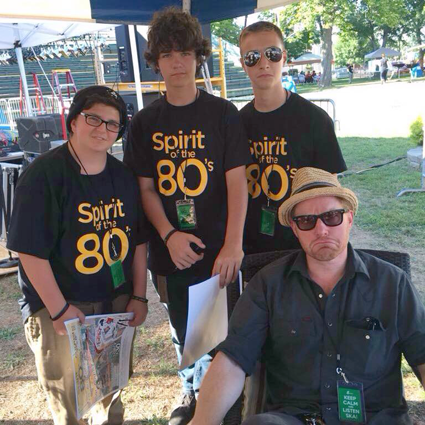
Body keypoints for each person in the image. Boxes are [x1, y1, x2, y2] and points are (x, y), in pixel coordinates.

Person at [190, 167, 425, 425]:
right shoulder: (268, 285)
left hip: (376, 418)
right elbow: (233, 359)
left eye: (332, 217)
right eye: (306, 221)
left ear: (349, 218)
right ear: (294, 227)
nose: (321, 230)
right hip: (293, 418)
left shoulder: (392, 283)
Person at [123, 7, 251, 425]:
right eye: (167, 54)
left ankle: (218, 401)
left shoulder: (223, 114)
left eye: (184, 52)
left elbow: (237, 182)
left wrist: (233, 244)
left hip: (217, 249)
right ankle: (192, 390)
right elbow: (145, 188)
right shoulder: (144, 122)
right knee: (183, 328)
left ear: (198, 56)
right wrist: (168, 234)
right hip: (169, 252)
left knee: (217, 331)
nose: (177, 62)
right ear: (155, 61)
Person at [7, 86, 151, 425]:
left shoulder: (123, 176)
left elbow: (139, 242)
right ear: (73, 122)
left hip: (114, 304)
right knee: (70, 403)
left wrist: (139, 296)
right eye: (93, 119)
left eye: (112, 124)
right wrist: (58, 309)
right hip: (62, 309)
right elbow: (29, 251)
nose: (103, 129)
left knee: (110, 393)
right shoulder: (43, 176)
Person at [238, 21, 346, 255]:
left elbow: (330, 193)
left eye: (272, 53)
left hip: (303, 245)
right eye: (252, 57)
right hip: (250, 247)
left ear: (284, 57)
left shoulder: (315, 120)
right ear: (243, 64)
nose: (264, 63)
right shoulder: (236, 124)